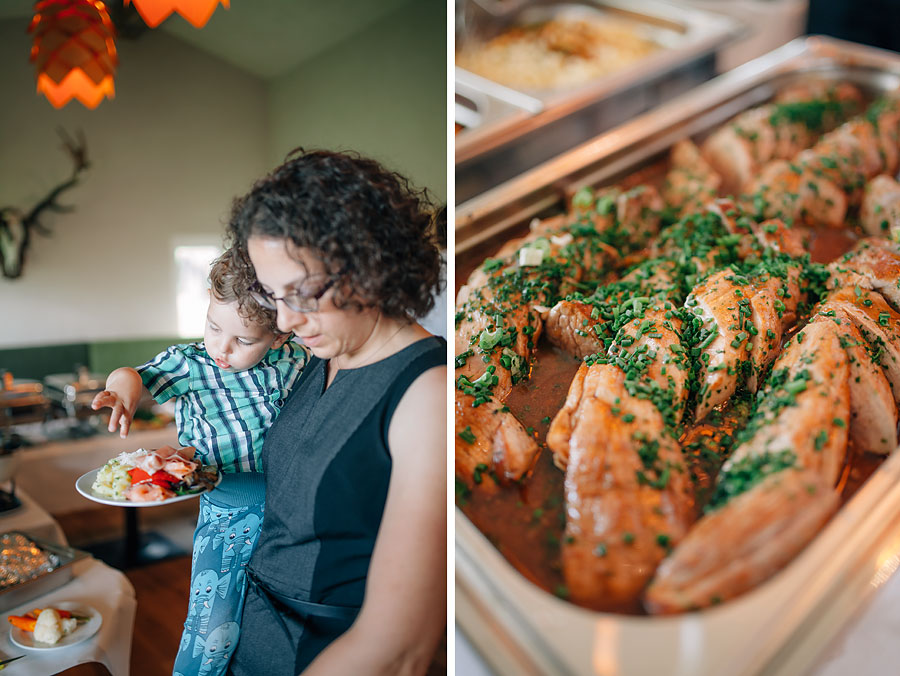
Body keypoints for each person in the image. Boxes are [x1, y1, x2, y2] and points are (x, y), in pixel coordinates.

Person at [224, 148, 447, 675]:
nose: (284, 319)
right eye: (272, 294)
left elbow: (397, 652)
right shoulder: (319, 353)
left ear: (367, 264)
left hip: (327, 653)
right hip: (251, 631)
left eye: (301, 293)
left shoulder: (426, 394)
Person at [90, 247, 308, 676]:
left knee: (270, 623)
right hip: (228, 511)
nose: (221, 348)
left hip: (288, 513)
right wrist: (121, 392)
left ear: (280, 335)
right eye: (212, 327)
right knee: (211, 624)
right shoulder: (192, 363)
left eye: (243, 340)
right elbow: (133, 375)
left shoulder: (294, 358)